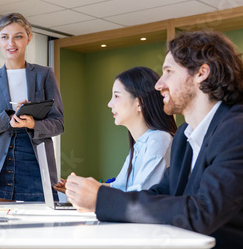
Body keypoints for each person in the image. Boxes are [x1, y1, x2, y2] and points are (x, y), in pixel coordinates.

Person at [66, 30, 243, 248]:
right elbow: (162, 193)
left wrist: (102, 198)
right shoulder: (183, 137)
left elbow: (202, 212)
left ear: (201, 73)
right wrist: (99, 198)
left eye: (168, 71)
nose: (159, 84)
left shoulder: (236, 129)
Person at [0, 12, 64, 202]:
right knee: (0, 226)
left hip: (35, 162)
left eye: (18, 36)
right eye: (5, 37)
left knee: (40, 229)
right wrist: (8, 117)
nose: (11, 43)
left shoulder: (44, 74)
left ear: (28, 38)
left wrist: (32, 124)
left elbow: (58, 123)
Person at [56, 67, 176, 193]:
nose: (110, 103)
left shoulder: (159, 140)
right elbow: (118, 188)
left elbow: (140, 196)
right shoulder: (139, 146)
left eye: (116, 96)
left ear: (139, 102)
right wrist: (81, 189)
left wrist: (92, 194)